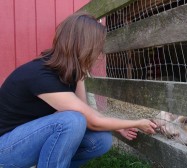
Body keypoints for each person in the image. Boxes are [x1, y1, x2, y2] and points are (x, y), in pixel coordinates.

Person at [0, 12, 157, 168]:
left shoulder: (68, 72)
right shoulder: (40, 75)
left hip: (24, 141)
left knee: (101, 140)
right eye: (97, 48)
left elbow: (85, 111)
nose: (99, 54)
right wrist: (138, 122)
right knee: (71, 121)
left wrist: (120, 125)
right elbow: (90, 121)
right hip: (4, 150)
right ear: (84, 47)